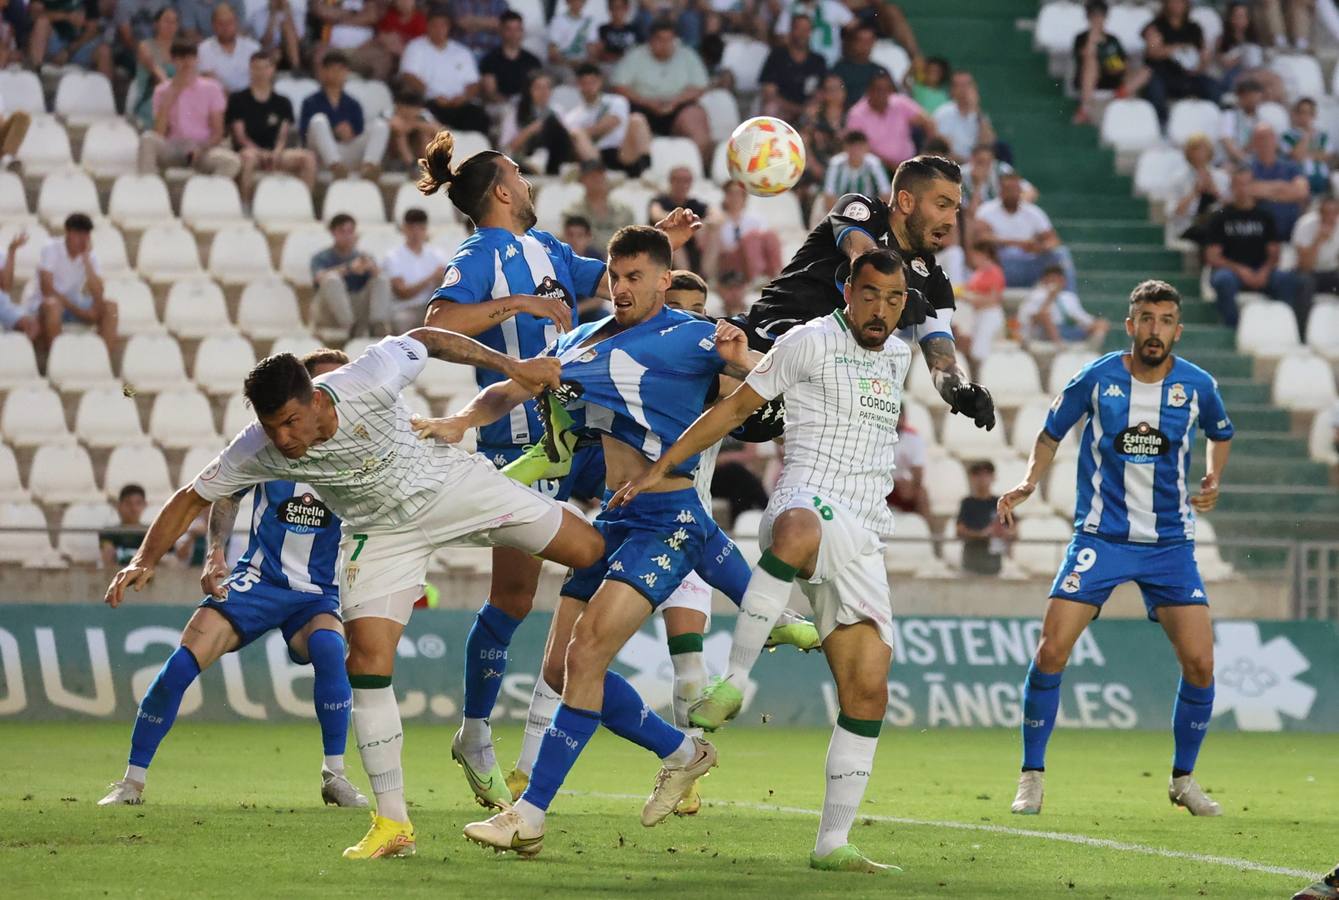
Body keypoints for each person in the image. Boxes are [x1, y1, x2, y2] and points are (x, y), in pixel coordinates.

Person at [102, 325, 601, 860]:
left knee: (592, 551)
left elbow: (428, 337)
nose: (285, 439)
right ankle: (392, 823)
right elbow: (190, 497)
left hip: (451, 487)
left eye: (292, 422)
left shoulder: (368, 375)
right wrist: (143, 558)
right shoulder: (258, 449)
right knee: (366, 661)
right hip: (381, 534)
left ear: (316, 399)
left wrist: (513, 366)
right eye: (272, 428)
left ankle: (609, 639)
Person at [436, 226, 756, 857]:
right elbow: (520, 383)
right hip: (614, 518)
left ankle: (529, 813)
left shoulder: (693, 334)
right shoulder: (581, 338)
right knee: (559, 668)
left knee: (584, 659)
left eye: (636, 276)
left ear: (665, 280)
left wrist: (743, 359)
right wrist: (462, 420)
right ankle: (686, 752)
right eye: (615, 275)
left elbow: (760, 386)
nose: (621, 287)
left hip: (667, 520)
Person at [415, 132, 703, 810]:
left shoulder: (546, 251)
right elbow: (436, 325)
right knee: (576, 581)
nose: (530, 184)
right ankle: (500, 734)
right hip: (506, 450)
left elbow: (608, 283)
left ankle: (485, 735)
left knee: (520, 601)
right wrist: (514, 311)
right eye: (519, 174)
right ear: (503, 191)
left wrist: (660, 241)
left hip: (558, 447)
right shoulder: (481, 252)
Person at [613, 247, 915, 874]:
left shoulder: (899, 356)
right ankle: (737, 680)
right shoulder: (808, 340)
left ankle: (833, 844)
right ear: (847, 292)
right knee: (800, 531)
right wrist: (662, 467)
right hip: (803, 501)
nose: (880, 310)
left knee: (868, 692)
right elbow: (732, 409)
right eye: (869, 295)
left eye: (893, 299)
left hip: (864, 537)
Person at [998, 279, 1233, 819]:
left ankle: (1183, 781)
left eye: (1165, 320)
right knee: (1051, 650)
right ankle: (1031, 776)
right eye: (1146, 319)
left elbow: (1221, 433)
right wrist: (1030, 482)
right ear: (1131, 326)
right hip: (1101, 538)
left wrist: (1213, 475)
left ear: (1178, 328)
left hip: (1170, 544)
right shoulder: (1098, 377)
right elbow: (1050, 432)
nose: (1155, 330)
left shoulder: (1197, 385)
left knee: (1200, 662)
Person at [97, 351, 370, 810]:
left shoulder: (358, 445)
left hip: (315, 593)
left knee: (327, 648)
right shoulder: (269, 446)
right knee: (183, 662)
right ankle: (131, 781)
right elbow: (224, 496)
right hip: (259, 581)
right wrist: (215, 552)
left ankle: (335, 776)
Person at [742, 155, 995, 438]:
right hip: (760, 339)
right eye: (942, 205)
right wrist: (901, 296)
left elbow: (943, 362)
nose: (951, 221)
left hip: (807, 388)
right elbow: (864, 258)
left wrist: (960, 391)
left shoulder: (934, 283)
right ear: (907, 201)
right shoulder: (861, 210)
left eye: (955, 209)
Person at [1205, 166, 1305, 331]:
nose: (1242, 189)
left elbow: (1274, 254)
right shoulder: (1220, 217)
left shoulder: (1265, 216)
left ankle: (1285, 329)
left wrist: (1263, 272)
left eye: (1246, 184)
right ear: (1232, 188)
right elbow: (1212, 257)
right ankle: (1232, 330)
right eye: (1238, 185)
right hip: (1232, 272)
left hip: (1261, 270)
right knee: (1222, 280)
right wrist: (1241, 270)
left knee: (1287, 280)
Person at [138, 41, 242, 179]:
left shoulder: (212, 88)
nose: (186, 62)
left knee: (231, 162)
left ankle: (207, 196)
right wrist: (170, 97)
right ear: (173, 61)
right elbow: (159, 132)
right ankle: (150, 189)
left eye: (190, 57)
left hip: (202, 148)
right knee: (147, 139)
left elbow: (218, 132)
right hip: (173, 146)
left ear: (197, 59)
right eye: (181, 58)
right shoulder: (161, 90)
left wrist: (202, 148)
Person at [610, 19, 711, 162]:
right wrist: (649, 103)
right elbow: (619, 86)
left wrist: (674, 102)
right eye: (660, 40)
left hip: (678, 107)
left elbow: (700, 87)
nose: (665, 45)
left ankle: (696, 169)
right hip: (643, 107)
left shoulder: (687, 55)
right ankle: (642, 169)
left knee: (696, 116)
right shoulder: (635, 55)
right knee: (633, 118)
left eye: (669, 40)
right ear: (651, 40)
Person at [227, 51, 317, 201]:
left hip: (276, 153)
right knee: (248, 158)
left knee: (308, 158)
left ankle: (304, 204)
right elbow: (240, 137)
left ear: (272, 70)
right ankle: (245, 205)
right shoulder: (238, 99)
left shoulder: (283, 102)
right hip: (251, 152)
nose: (261, 72)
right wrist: (260, 152)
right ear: (250, 70)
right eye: (256, 68)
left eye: (265, 68)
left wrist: (277, 152)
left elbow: (283, 135)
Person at [27, 213, 118, 354]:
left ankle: (102, 360)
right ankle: (56, 359)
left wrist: (86, 261)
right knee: (53, 306)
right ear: (68, 233)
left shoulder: (90, 255)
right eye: (79, 234)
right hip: (45, 304)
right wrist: (81, 312)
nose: (83, 239)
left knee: (111, 308)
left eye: (86, 234)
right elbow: (47, 290)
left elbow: (99, 293)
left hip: (73, 302)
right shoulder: (51, 249)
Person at [974, 171, 1077, 291]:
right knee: (999, 253)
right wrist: (1018, 243)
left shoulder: (1033, 212)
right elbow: (980, 237)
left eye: (1015, 189)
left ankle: (1069, 299)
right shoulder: (986, 210)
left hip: (1029, 262)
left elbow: (1054, 240)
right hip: (1001, 262)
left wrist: (1040, 247)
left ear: (1020, 191)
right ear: (1000, 191)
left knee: (1061, 253)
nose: (1012, 193)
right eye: (1008, 189)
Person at [299, 51, 389, 179]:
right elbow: (305, 133)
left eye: (341, 70)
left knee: (381, 125)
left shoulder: (353, 103)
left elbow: (359, 130)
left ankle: (369, 166)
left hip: (347, 150)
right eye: (333, 70)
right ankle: (335, 166)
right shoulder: (311, 102)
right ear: (323, 72)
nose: (337, 74)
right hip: (320, 155)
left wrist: (350, 133)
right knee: (318, 121)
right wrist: (334, 132)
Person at [399, 8, 489, 135]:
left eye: (443, 25)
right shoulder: (415, 47)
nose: (439, 29)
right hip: (430, 102)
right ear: (428, 26)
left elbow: (473, 83)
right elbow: (409, 76)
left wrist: (464, 97)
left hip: (459, 103)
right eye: (435, 25)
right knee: (427, 115)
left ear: (449, 27)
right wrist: (432, 94)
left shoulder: (462, 52)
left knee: (479, 116)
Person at [310, 213, 392, 341]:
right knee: (332, 279)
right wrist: (349, 269)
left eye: (350, 231)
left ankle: (377, 325)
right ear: (333, 233)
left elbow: (379, 279)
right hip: (329, 312)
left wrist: (371, 268)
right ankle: (349, 326)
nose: (347, 236)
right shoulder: (321, 257)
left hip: (357, 308)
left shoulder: (363, 256)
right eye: (342, 231)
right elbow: (319, 278)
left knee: (381, 279)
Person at [561, 63, 652, 177]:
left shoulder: (616, 101)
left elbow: (611, 123)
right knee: (577, 133)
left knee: (637, 119)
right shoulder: (573, 116)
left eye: (592, 82)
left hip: (622, 153)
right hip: (596, 155)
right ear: (578, 85)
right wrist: (584, 134)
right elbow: (576, 139)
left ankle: (648, 170)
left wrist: (587, 132)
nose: (589, 87)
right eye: (584, 83)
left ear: (600, 82)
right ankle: (596, 171)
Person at [1071, 0, 1149, 125]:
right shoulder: (1081, 38)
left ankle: (1120, 96)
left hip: (1114, 76)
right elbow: (1084, 57)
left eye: (1100, 15)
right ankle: (1085, 108)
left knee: (1145, 71)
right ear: (1088, 17)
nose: (1097, 19)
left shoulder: (1113, 39)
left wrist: (1117, 68)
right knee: (1091, 63)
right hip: (1091, 79)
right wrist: (1093, 38)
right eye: (1094, 16)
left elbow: (1123, 63)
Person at [1140, 0, 1217, 124]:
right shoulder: (1155, 26)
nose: (1177, 4)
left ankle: (1212, 123)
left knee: (1213, 87)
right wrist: (1175, 49)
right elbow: (1152, 52)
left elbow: (1203, 56)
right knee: (1155, 88)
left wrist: (1201, 64)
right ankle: (1162, 124)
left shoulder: (1194, 28)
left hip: (1188, 75)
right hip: (1162, 75)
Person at [845, 69, 935, 172]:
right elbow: (856, 147)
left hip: (909, 167)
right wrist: (889, 165)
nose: (882, 94)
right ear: (869, 90)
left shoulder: (900, 103)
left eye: (886, 89)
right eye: (878, 89)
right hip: (875, 170)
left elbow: (928, 123)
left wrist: (926, 154)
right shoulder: (857, 114)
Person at [381, 208, 447, 332]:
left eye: (420, 228)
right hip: (406, 307)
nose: (416, 233)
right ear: (404, 229)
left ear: (426, 230)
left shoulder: (437, 255)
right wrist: (431, 277)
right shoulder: (393, 257)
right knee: (402, 321)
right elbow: (403, 293)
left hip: (431, 307)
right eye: (412, 228)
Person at [500, 72, 576, 176]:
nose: (543, 92)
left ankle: (559, 162)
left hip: (552, 159)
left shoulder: (557, 111)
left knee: (552, 122)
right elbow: (507, 148)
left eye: (547, 88)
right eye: (538, 88)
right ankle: (539, 158)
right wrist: (530, 130)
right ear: (529, 90)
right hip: (525, 159)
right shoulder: (516, 112)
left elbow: (566, 138)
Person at [709, 180, 781, 283]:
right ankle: (756, 278)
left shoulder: (755, 219)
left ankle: (776, 274)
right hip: (730, 259)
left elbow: (766, 242)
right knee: (751, 238)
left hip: (753, 257)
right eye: (731, 193)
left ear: (744, 197)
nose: (735, 197)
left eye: (738, 193)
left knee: (770, 235)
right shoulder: (719, 219)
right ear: (725, 196)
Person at [758, 14, 826, 123]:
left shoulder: (818, 60)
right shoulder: (777, 56)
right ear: (791, 30)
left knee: (815, 110)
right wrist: (798, 110)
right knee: (771, 108)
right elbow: (769, 93)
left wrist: (807, 109)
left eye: (806, 30)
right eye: (799, 29)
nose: (802, 33)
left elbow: (820, 93)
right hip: (781, 110)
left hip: (806, 112)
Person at [1018, 265, 1110, 345]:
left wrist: (1095, 324)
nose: (1055, 283)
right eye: (1051, 279)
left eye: (1058, 279)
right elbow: (1029, 318)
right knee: (1045, 316)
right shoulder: (1036, 295)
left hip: (1067, 329)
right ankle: (1061, 348)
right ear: (1044, 280)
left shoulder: (1069, 297)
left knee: (1102, 324)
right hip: (1045, 332)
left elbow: (1082, 317)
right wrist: (1050, 298)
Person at [1165, 133, 1229, 247]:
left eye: (1203, 149)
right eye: (1195, 149)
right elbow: (1173, 213)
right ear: (1188, 153)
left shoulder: (1222, 177)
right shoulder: (1179, 179)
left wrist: (1215, 192)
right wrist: (1195, 192)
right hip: (1189, 227)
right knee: (1208, 233)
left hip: (1218, 223)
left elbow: (1229, 209)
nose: (1199, 154)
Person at [1250, 123, 1310, 240]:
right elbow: (1248, 190)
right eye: (1260, 138)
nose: (1265, 142)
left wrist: (1264, 191)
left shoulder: (1291, 166)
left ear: (1275, 140)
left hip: (1290, 233)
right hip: (1259, 237)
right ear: (1254, 143)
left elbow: (1301, 192)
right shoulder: (1247, 166)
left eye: (1269, 137)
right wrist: (1283, 187)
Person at [564, 160, 637, 251]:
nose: (597, 179)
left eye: (600, 174)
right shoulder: (573, 213)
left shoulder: (624, 211)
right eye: (591, 176)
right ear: (582, 180)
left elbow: (632, 240)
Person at [312, 0, 392, 82]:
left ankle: (373, 91)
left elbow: (371, 16)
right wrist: (357, 14)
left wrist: (336, 18)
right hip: (333, 47)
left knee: (382, 57)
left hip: (363, 49)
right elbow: (321, 10)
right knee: (320, 54)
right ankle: (325, 93)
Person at [957, 460, 1013, 576]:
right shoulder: (967, 503)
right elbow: (960, 530)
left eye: (986, 474)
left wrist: (1003, 532)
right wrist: (981, 534)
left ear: (993, 477)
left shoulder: (1000, 503)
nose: (982, 479)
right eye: (978, 474)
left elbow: (1014, 529)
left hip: (994, 563)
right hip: (971, 560)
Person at [955, 240, 1006, 366]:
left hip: (989, 313)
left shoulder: (994, 272)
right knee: (968, 346)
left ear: (983, 255)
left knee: (980, 351)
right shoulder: (978, 272)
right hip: (975, 313)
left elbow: (994, 299)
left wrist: (972, 298)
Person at [478, 10, 543, 105]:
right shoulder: (490, 60)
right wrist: (510, 104)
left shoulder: (533, 60)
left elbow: (538, 87)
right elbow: (491, 93)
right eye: (509, 29)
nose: (514, 34)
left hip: (527, 106)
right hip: (500, 107)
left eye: (517, 29)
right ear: (501, 31)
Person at [130, 6, 178, 130]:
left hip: (179, 97)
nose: (170, 25)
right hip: (152, 99)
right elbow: (158, 73)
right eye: (166, 21)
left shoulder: (181, 49)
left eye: (174, 22)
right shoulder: (146, 46)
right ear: (156, 24)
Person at [933, 71, 996, 163]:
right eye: (959, 86)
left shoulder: (979, 116)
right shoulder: (942, 113)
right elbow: (939, 148)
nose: (964, 90)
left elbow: (987, 144)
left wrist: (976, 110)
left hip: (976, 166)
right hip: (950, 164)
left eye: (967, 85)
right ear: (952, 90)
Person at [1293, 194, 1339, 316]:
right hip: (1308, 272)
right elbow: (1304, 266)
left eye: (1334, 213)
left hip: (1332, 272)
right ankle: (1302, 330)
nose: (1330, 218)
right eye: (1326, 213)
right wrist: (1318, 241)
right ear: (1319, 212)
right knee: (1305, 284)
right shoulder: (1304, 225)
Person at [197, 3, 260, 93]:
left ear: (236, 23)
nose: (225, 27)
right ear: (213, 25)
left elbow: (261, 78)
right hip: (218, 100)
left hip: (250, 100)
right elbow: (206, 80)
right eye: (221, 23)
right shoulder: (203, 49)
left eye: (229, 22)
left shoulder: (253, 48)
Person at [822, 130, 890, 210]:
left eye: (859, 147)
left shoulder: (874, 164)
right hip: (840, 213)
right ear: (845, 147)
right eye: (852, 147)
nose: (856, 152)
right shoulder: (836, 164)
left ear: (866, 147)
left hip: (869, 213)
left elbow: (886, 195)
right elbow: (829, 196)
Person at [1283, 97, 1334, 196]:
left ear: (1314, 115)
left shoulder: (1322, 135)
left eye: (1309, 113)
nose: (1305, 116)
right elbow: (1296, 156)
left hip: (1323, 178)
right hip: (1301, 179)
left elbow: (1327, 156)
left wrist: (1306, 154)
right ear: (1296, 114)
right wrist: (1306, 136)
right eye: (1302, 112)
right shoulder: (1288, 135)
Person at [833, 24, 889, 112]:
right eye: (861, 41)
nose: (865, 46)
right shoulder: (839, 69)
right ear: (853, 43)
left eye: (869, 41)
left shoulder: (880, 71)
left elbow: (893, 98)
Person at [384, 85, 438, 173]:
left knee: (425, 134)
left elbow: (437, 130)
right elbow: (398, 127)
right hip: (393, 151)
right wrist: (408, 125)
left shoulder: (423, 114)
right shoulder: (389, 112)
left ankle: (428, 165)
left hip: (415, 147)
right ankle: (411, 165)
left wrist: (414, 124)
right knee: (400, 135)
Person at [98, 484, 148, 569]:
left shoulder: (152, 532)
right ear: (119, 505)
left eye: (138, 503)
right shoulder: (108, 532)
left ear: (145, 505)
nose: (133, 508)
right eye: (128, 503)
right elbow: (109, 559)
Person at [1219, 77, 1265, 167]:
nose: (1254, 102)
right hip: (1233, 162)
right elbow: (1228, 144)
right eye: (1250, 99)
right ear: (1241, 98)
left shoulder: (1261, 119)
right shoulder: (1229, 116)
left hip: (1255, 162)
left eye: (1256, 99)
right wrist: (1246, 161)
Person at [0, 231, 35, 342]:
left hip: (2, 305)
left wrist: (12, 250)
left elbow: (6, 287)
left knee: (32, 325)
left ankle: (24, 356)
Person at [547, 0, 599, 67]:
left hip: (583, 64)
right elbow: (552, 50)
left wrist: (589, 61)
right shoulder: (558, 20)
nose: (577, 2)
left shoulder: (589, 21)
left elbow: (592, 48)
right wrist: (569, 63)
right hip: (563, 64)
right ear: (567, 1)